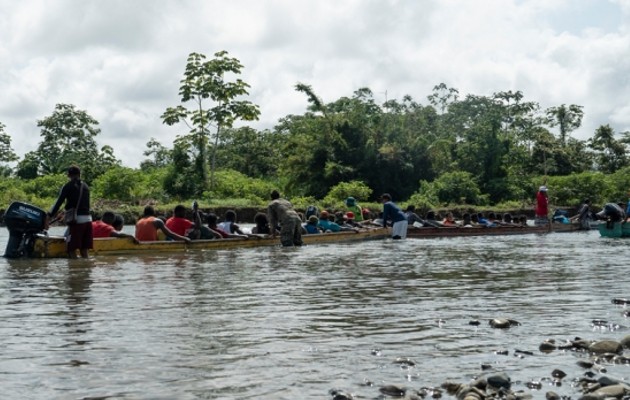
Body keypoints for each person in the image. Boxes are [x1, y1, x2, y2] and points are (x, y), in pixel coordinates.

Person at [49, 165, 93, 258]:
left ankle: (74, 271)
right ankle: (86, 270)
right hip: (88, 220)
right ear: (79, 174)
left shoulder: (67, 186)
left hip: (77, 221)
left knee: (71, 250)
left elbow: (58, 203)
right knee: (84, 250)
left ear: (68, 175)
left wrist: (50, 215)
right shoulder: (85, 186)